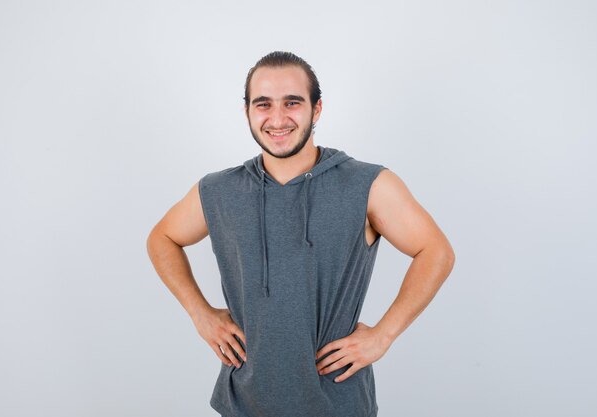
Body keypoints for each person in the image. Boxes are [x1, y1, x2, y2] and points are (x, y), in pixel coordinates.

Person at [146, 51, 455, 417]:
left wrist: (383, 335)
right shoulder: (219, 190)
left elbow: (436, 251)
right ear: (246, 111)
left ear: (317, 109)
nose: (278, 118)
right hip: (243, 402)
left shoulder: (367, 185)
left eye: (292, 102)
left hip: (338, 403)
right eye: (263, 104)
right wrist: (200, 314)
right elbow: (162, 238)